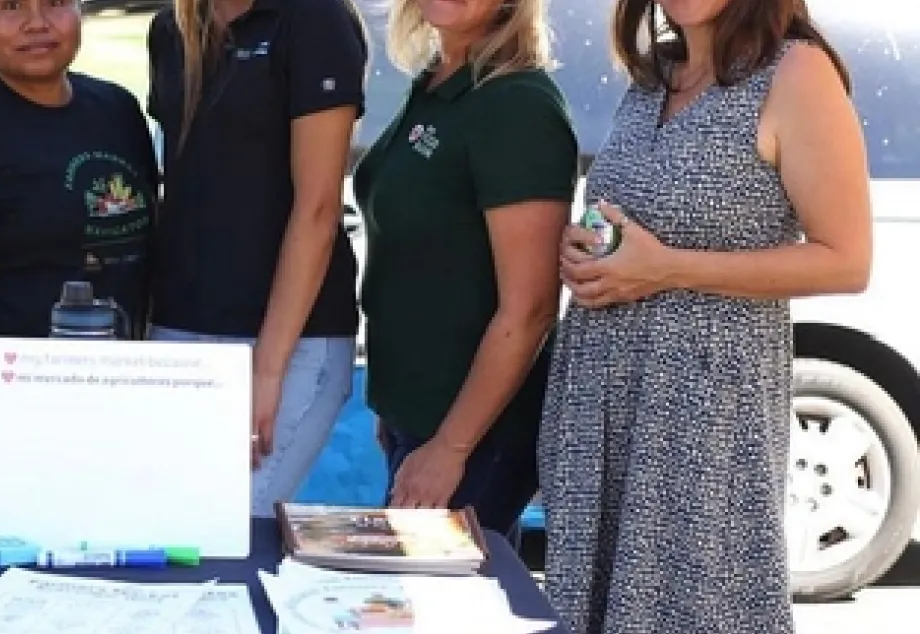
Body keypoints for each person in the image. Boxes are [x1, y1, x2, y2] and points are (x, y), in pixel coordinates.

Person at [544, 0, 872, 631]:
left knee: (691, 609)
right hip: (602, 411)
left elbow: (847, 260)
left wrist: (668, 267)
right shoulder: (652, 77)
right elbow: (629, 218)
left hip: (701, 415)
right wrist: (583, 247)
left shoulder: (795, 72)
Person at [0, 0, 158, 492]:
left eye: (55, 4)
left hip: (99, 401)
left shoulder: (118, 110)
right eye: (11, 7)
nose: (36, 23)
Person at [351, 0, 572, 543]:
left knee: (430, 607)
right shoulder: (440, 79)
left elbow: (531, 308)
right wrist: (402, 406)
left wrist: (450, 446)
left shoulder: (515, 104)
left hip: (474, 434)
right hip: (424, 418)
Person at [145, 0, 367, 516]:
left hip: (290, 342)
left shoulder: (316, 19)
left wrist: (267, 371)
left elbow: (317, 208)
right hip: (178, 334)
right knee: (170, 535)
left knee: (226, 533)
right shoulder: (169, 30)